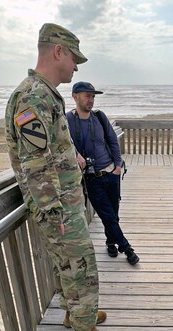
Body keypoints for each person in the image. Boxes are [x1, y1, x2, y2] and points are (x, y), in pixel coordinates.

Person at [4, 23, 122, 331]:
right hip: (57, 208)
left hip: (63, 202)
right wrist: (57, 214)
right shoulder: (33, 96)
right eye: (74, 59)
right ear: (58, 51)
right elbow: (36, 161)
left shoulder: (43, 93)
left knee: (69, 265)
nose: (75, 67)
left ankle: (77, 313)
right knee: (80, 262)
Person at [66, 81, 140, 265]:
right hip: (91, 178)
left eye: (93, 96)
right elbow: (63, 145)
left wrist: (117, 165)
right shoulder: (67, 120)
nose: (91, 100)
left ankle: (110, 242)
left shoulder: (99, 116)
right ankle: (126, 248)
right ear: (75, 97)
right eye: (87, 96)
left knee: (113, 214)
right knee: (107, 214)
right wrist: (76, 154)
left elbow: (113, 141)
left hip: (111, 173)